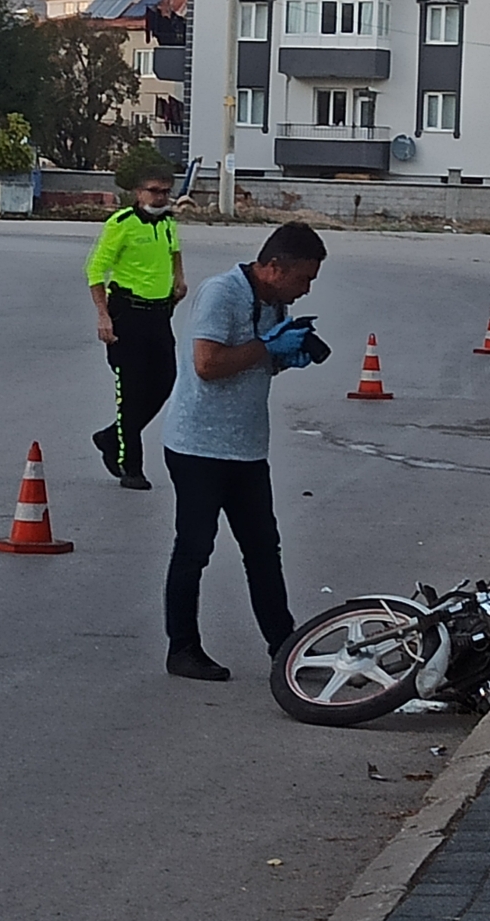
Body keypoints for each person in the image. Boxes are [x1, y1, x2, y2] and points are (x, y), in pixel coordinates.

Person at [159, 222, 327, 681]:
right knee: (194, 547)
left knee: (262, 549)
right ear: (274, 267)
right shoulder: (222, 293)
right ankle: (183, 648)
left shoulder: (274, 304)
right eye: (303, 279)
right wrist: (266, 347)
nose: (306, 289)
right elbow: (208, 365)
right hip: (198, 446)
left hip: (247, 448)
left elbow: (255, 364)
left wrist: (282, 357)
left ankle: (285, 645)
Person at [86, 163, 186, 491]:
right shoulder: (122, 224)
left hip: (159, 315)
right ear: (138, 193)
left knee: (165, 382)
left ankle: (110, 436)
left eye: (165, 191)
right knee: (131, 392)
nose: (160, 197)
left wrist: (179, 280)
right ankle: (132, 467)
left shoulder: (168, 223)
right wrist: (103, 316)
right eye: (154, 191)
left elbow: (174, 253)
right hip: (126, 314)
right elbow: (95, 271)